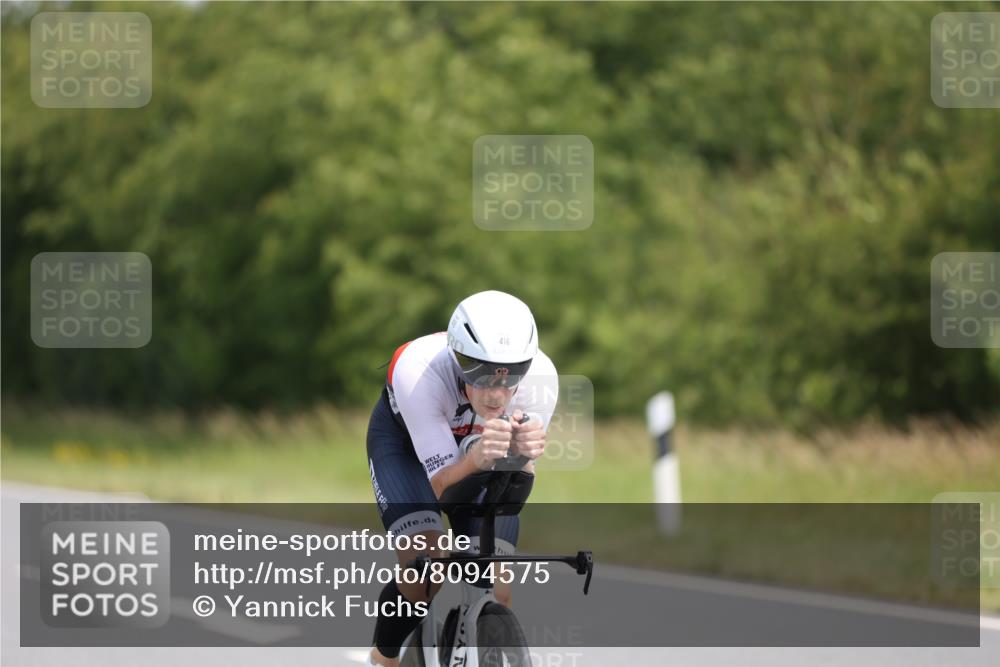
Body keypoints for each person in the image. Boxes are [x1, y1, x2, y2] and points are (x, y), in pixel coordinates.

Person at [365, 290, 558, 667]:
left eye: (511, 376)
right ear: (458, 358)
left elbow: (512, 494)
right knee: (426, 569)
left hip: (475, 450)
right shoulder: (420, 371)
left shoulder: (542, 379)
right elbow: (438, 490)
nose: (497, 393)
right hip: (406, 446)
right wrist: (475, 459)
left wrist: (520, 459)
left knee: (497, 586)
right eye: (481, 373)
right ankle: (384, 657)